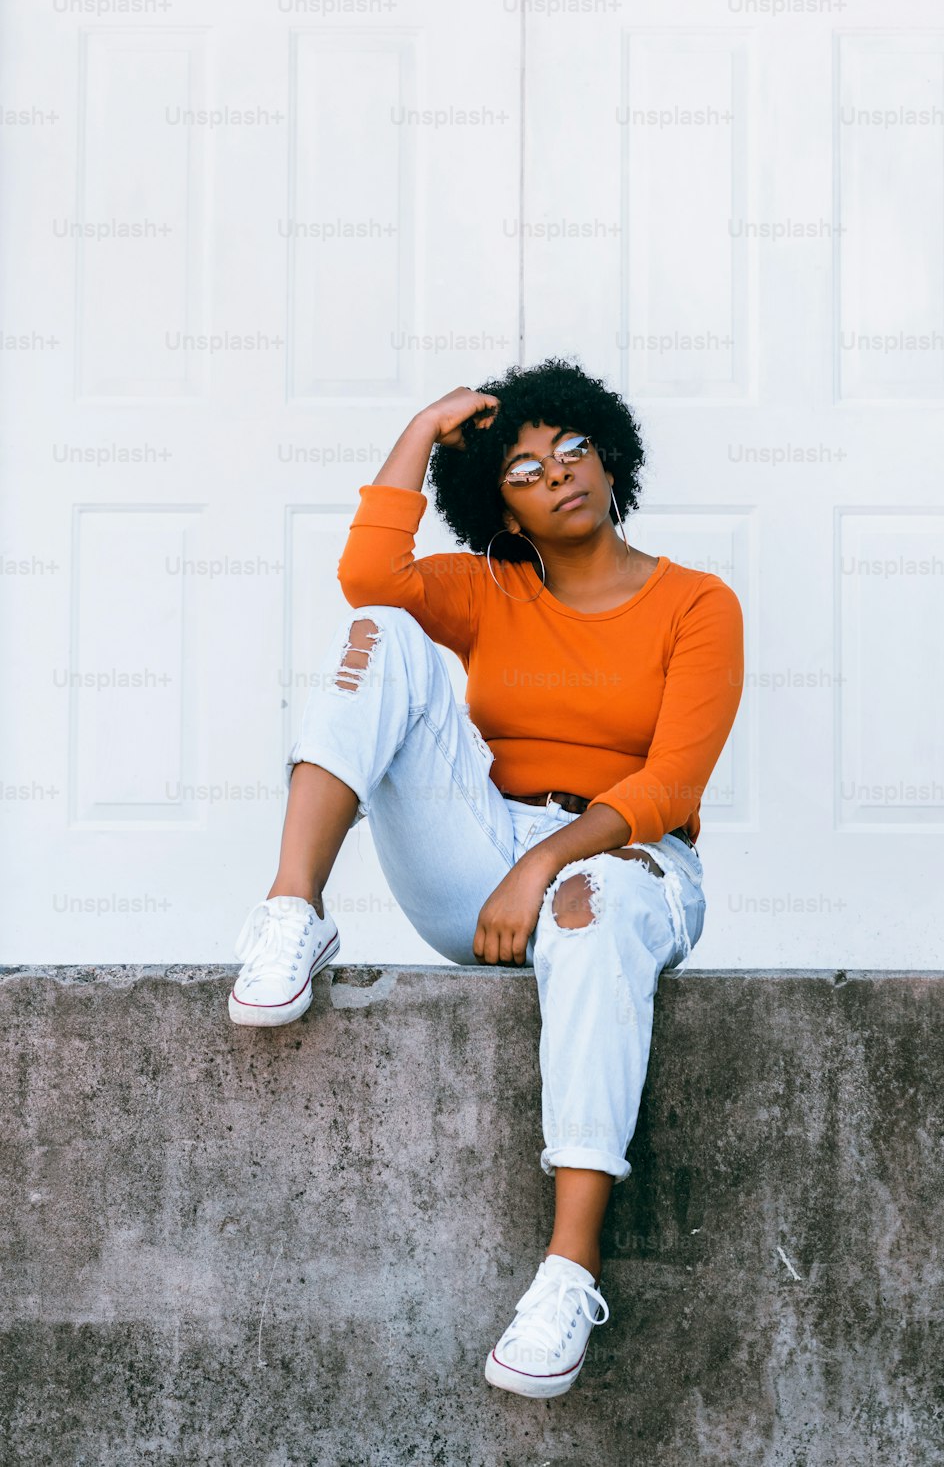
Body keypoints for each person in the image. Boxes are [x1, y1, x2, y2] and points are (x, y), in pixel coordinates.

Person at [229, 357, 744, 1398]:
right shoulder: (486, 589)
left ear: (608, 457)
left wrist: (549, 865)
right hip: (482, 854)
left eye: (571, 451)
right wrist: (423, 427)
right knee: (379, 635)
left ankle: (567, 1271)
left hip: (628, 862)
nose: (557, 473)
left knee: (589, 912)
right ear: (497, 510)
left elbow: (669, 781)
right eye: (521, 469)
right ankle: (292, 909)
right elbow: (368, 579)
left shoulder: (698, 604)